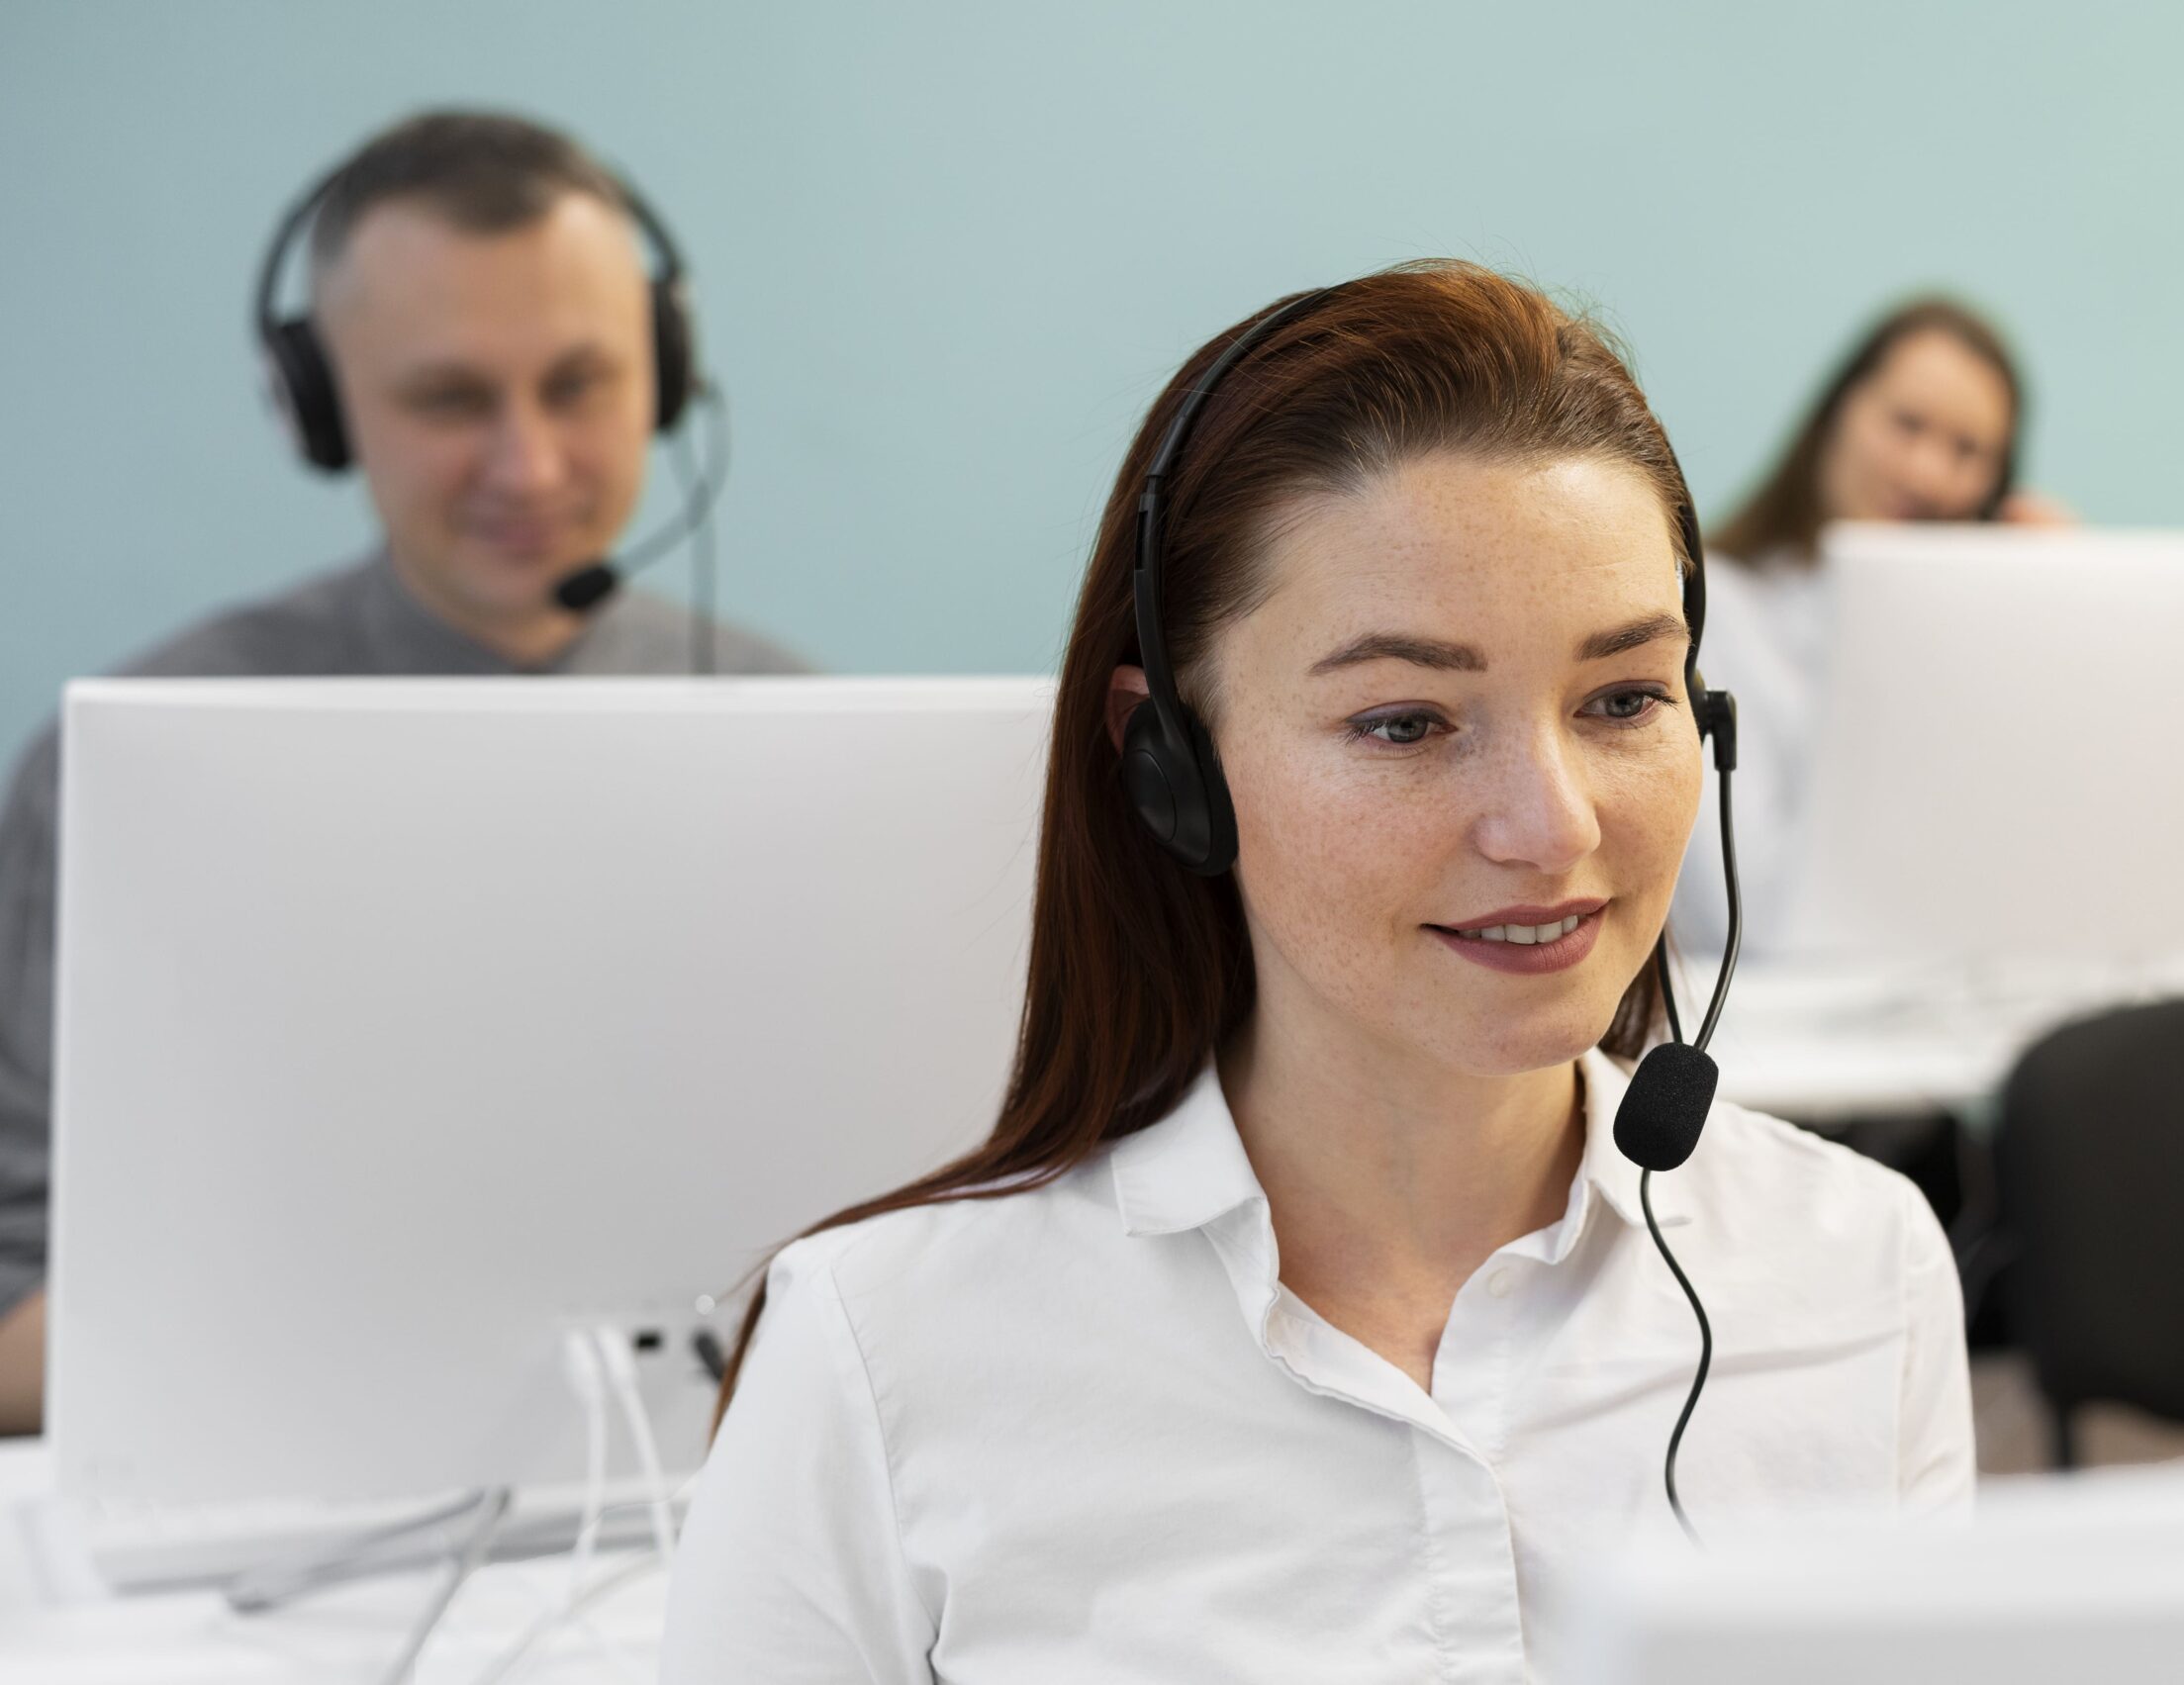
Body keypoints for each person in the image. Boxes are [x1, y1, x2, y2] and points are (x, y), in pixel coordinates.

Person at [662, 262, 1970, 1682]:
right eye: (1407, 721)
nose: (1554, 825)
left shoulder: (1856, 1267)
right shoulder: (878, 1353)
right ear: (1172, 765)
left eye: (1621, 697)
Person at [0, 109, 810, 1430]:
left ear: (661, 375)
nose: (529, 463)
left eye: (580, 383)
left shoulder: (797, 731)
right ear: (322, 412)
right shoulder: (140, 756)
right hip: (252, 1500)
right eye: (450, 399)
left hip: (710, 1487)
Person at [1671, 296, 2064, 958]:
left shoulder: (1978, 646)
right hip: (1769, 1019)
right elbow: (1746, 916)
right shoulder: (1717, 611)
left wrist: (2048, 622)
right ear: (1836, 416)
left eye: (1967, 450)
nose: (1927, 473)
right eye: (1906, 425)